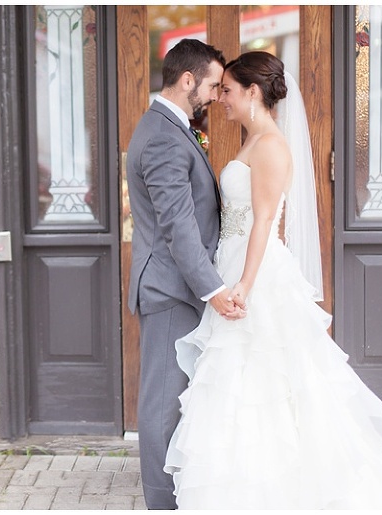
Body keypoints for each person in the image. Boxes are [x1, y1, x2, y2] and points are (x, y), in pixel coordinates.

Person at [163, 51, 382, 510]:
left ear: (252, 92)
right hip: (232, 264)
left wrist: (244, 284)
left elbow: (264, 222)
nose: (220, 99)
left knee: (265, 381)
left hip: (256, 275)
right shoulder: (252, 141)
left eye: (227, 91)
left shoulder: (270, 146)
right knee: (239, 386)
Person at [126, 38, 247, 510]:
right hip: (170, 290)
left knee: (175, 400)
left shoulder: (170, 128)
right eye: (213, 86)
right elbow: (177, 228)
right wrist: (214, 290)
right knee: (162, 403)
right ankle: (162, 504)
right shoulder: (162, 136)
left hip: (176, 287)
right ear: (187, 80)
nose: (217, 96)